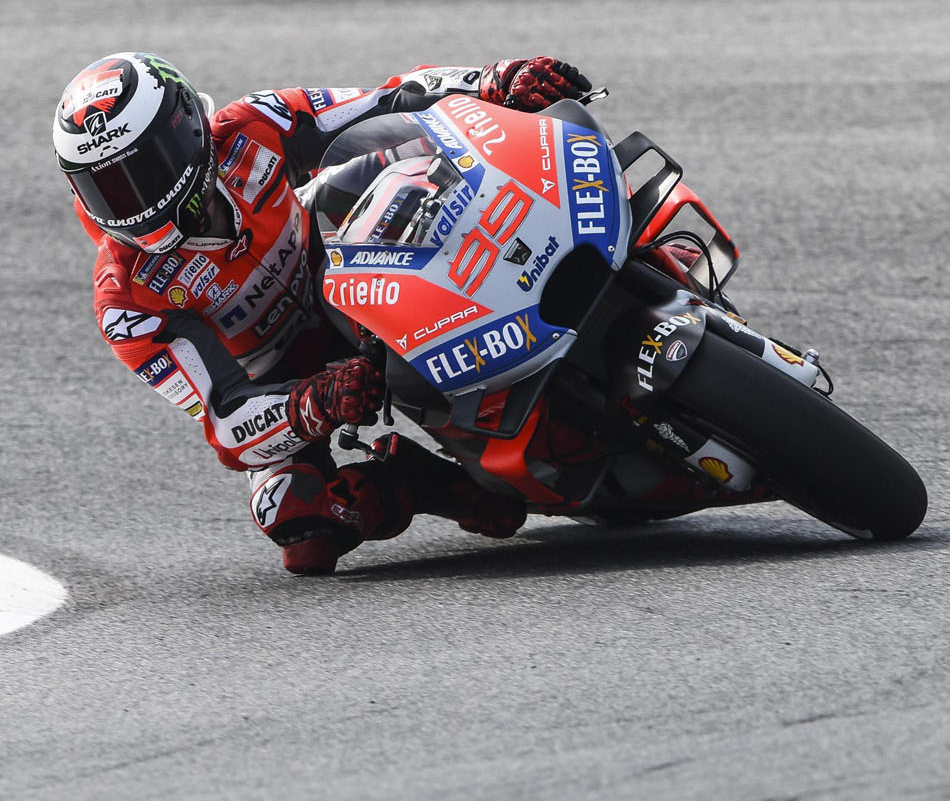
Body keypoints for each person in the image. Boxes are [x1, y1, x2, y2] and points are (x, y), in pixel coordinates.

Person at [53, 52, 593, 574]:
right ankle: (431, 485)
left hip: (344, 264)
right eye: (104, 188)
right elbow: (227, 422)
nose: (129, 202)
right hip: (281, 377)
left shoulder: (253, 125)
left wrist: (495, 81)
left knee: (412, 153)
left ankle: (588, 232)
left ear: (187, 132)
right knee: (296, 519)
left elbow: (389, 100)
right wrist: (315, 402)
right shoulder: (126, 301)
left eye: (141, 172)